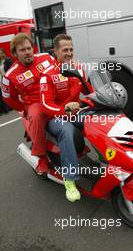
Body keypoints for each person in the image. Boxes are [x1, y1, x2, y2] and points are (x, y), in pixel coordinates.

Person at [39, 34, 93, 202]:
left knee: (99, 120)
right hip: (55, 117)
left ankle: (109, 157)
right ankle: (69, 179)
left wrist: (101, 99)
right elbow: (44, 105)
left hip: (75, 113)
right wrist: (64, 109)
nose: (69, 53)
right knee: (66, 130)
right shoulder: (47, 75)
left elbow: (89, 91)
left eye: (71, 49)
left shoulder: (78, 68)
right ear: (56, 51)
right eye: (65, 50)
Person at [1, 33, 55, 174]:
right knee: (36, 116)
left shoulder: (46, 58)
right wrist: (25, 108)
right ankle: (41, 156)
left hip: (56, 97)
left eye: (29, 48)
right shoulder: (9, 76)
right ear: (14, 54)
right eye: (22, 50)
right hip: (36, 104)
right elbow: (8, 98)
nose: (27, 52)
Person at [0, 48, 13, 113]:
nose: (0, 54)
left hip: (8, 78)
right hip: (3, 78)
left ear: (4, 53)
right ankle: (9, 106)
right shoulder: (1, 61)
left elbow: (11, 68)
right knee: (6, 92)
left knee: (11, 92)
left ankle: (11, 106)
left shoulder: (8, 60)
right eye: (0, 53)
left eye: (1, 53)